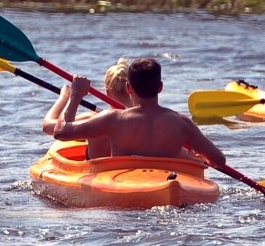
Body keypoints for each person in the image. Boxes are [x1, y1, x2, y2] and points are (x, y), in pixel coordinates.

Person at [53, 58, 226, 167]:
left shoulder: (113, 119)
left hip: (123, 186)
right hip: (165, 181)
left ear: (129, 88)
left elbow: (61, 132)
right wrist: (198, 158)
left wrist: (75, 97)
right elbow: (219, 160)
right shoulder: (181, 122)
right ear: (160, 87)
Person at [42, 58, 131, 159]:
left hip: (101, 172)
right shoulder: (148, 118)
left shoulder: (94, 120)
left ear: (107, 93)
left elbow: (48, 126)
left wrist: (66, 97)